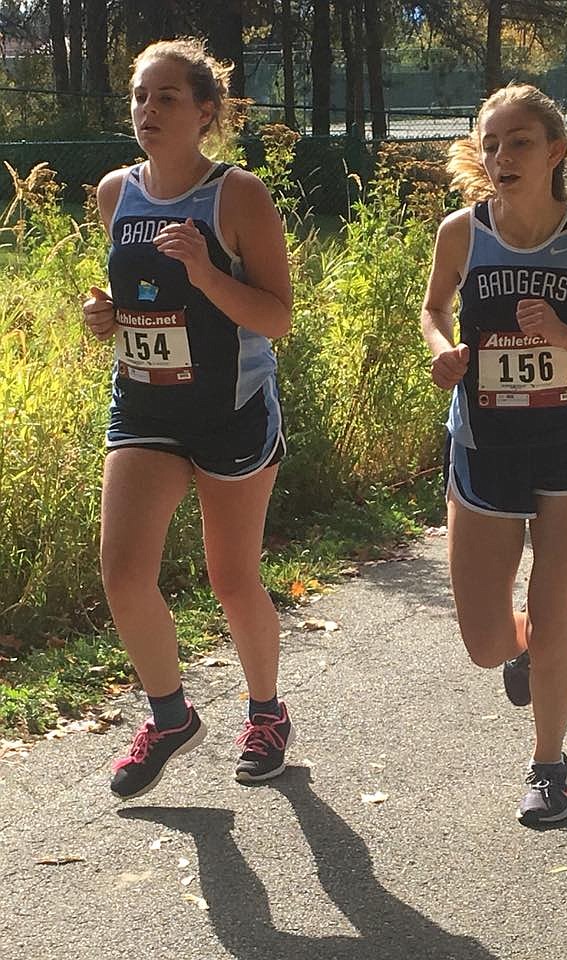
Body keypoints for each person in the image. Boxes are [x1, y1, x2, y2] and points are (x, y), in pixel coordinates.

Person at [421, 84, 567, 826]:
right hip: (485, 452)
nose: (499, 157)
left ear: (555, 151)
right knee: (487, 643)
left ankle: (549, 765)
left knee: (555, 623)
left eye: (518, 142)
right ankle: (524, 653)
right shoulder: (462, 232)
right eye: (489, 143)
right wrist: (443, 350)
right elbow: (432, 309)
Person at [83, 38, 294, 801]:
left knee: (232, 579)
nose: (147, 110)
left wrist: (205, 272)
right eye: (140, 96)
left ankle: (266, 713)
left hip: (230, 410)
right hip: (144, 403)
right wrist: (105, 316)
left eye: (166, 97)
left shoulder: (238, 196)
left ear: (206, 112)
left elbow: (277, 318)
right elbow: (136, 296)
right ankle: (170, 716)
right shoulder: (116, 192)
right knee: (123, 572)